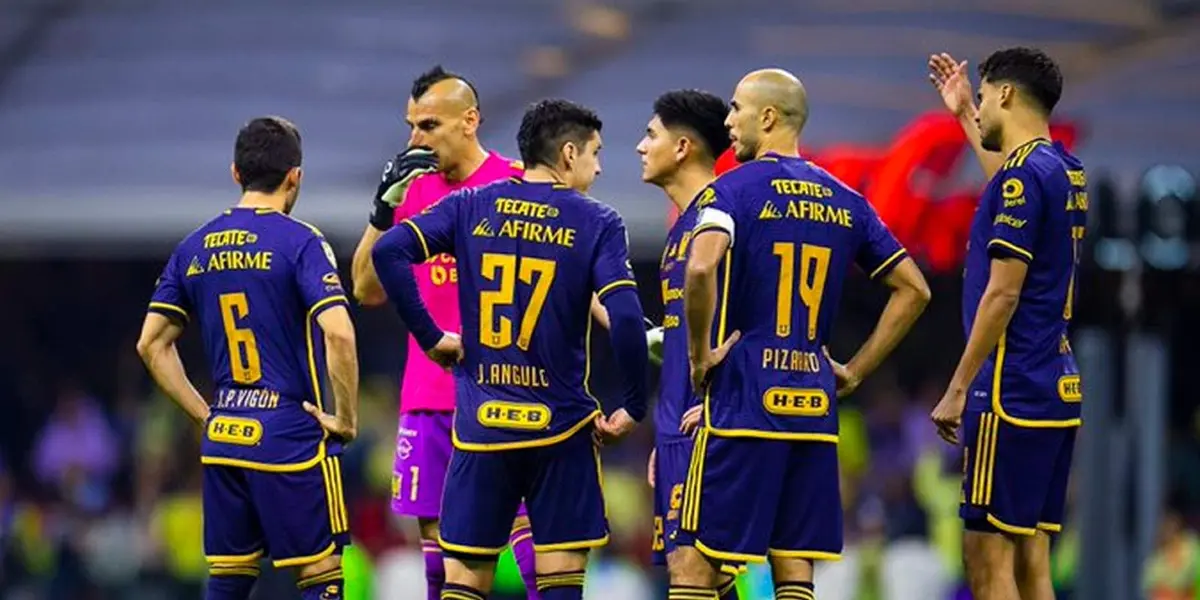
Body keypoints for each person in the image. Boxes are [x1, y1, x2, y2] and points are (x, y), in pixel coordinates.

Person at [371, 98, 650, 600]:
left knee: (462, 584)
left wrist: (432, 338)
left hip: (482, 427)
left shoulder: (470, 206)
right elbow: (626, 318)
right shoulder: (597, 220)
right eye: (595, 153)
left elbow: (389, 251)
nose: (600, 166)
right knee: (558, 583)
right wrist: (633, 403)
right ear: (568, 154)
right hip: (560, 430)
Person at [670, 68, 931, 600]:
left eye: (737, 108)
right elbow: (915, 290)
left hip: (744, 406)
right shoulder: (846, 201)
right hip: (813, 411)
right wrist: (855, 369)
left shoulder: (730, 190)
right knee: (794, 574)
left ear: (767, 117)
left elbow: (700, 269)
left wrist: (699, 358)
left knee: (695, 567)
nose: (728, 121)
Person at [135, 116, 358, 600]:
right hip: (292, 438)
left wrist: (206, 415)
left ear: (235, 173)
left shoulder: (194, 246)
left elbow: (150, 344)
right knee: (321, 575)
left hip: (225, 439)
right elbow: (339, 334)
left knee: (229, 580)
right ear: (294, 176)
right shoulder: (301, 242)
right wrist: (345, 418)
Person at [347, 65, 542, 599]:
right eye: (411, 125)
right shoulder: (411, 193)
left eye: (428, 125)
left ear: (470, 121)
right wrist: (381, 211)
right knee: (436, 555)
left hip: (506, 388)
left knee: (532, 545)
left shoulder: (519, 183)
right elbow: (365, 289)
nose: (415, 138)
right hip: (429, 392)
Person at [928, 47, 1087, 600]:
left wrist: (958, 386)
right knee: (1031, 559)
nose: (983, 110)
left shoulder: (1024, 178)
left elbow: (1002, 293)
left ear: (1007, 94)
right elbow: (1008, 184)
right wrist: (962, 110)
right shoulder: (1063, 169)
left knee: (986, 558)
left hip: (1008, 390)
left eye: (986, 96)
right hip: (1055, 387)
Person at [635, 89, 741, 600]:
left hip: (708, 424)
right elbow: (677, 337)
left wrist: (723, 402)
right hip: (676, 424)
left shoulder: (721, 216)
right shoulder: (683, 225)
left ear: (682, 148)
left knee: (692, 574)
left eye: (650, 135)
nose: (639, 146)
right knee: (703, 578)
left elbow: (761, 321)